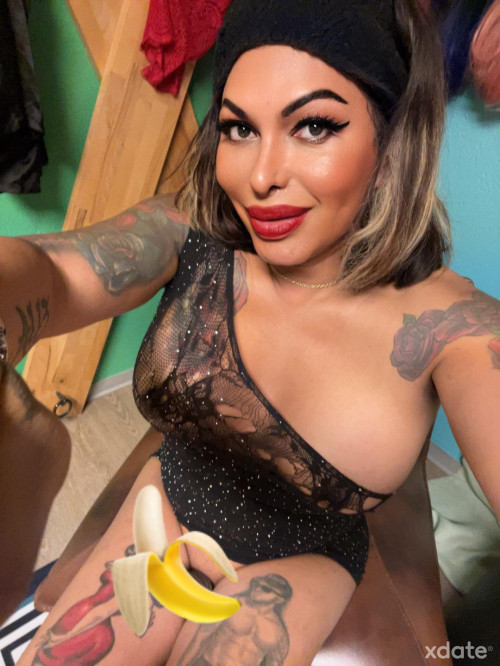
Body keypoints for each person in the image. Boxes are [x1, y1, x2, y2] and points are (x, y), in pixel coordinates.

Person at [2, 0, 498, 662]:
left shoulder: (453, 329)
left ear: (390, 141)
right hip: (168, 502)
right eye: (239, 129)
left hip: (302, 560)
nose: (261, 176)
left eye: (313, 126)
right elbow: (55, 272)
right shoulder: (190, 234)